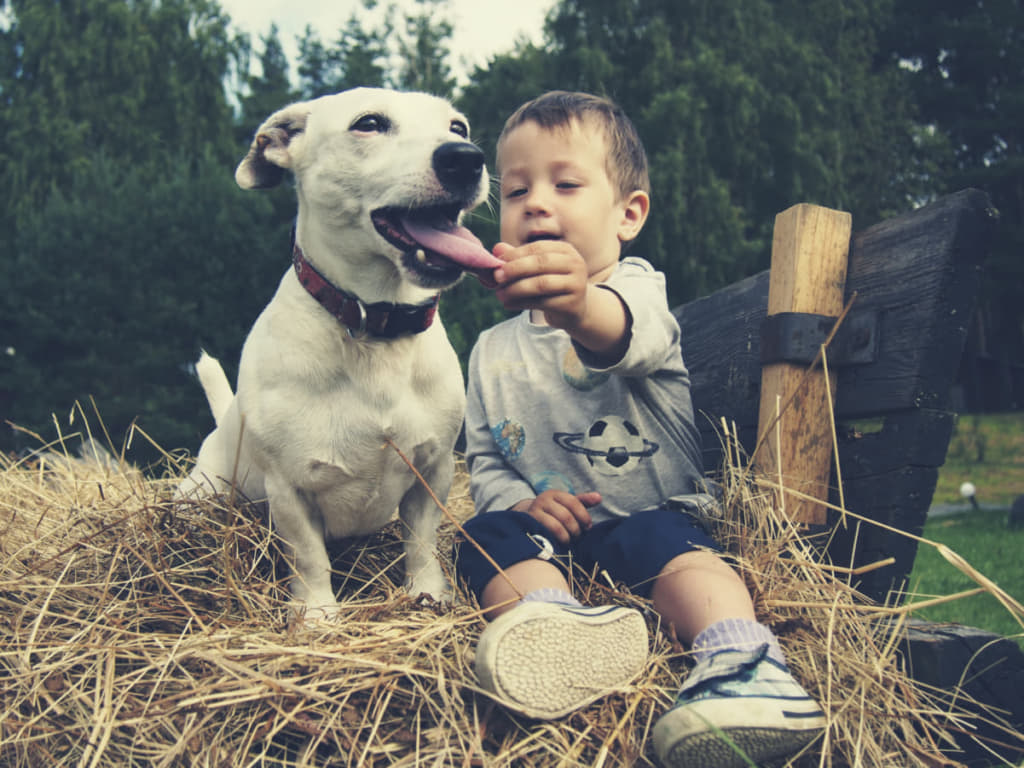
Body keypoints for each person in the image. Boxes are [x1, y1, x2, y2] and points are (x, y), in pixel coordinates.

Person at [454, 90, 826, 767]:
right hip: (554, 548)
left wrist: (578, 304)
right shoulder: (488, 352)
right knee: (481, 539)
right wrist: (520, 503)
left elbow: (629, 339)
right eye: (516, 191)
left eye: (565, 184)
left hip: (654, 519)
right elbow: (486, 459)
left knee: (669, 542)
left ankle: (744, 661)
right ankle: (551, 628)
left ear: (628, 214)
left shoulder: (634, 290)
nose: (537, 202)